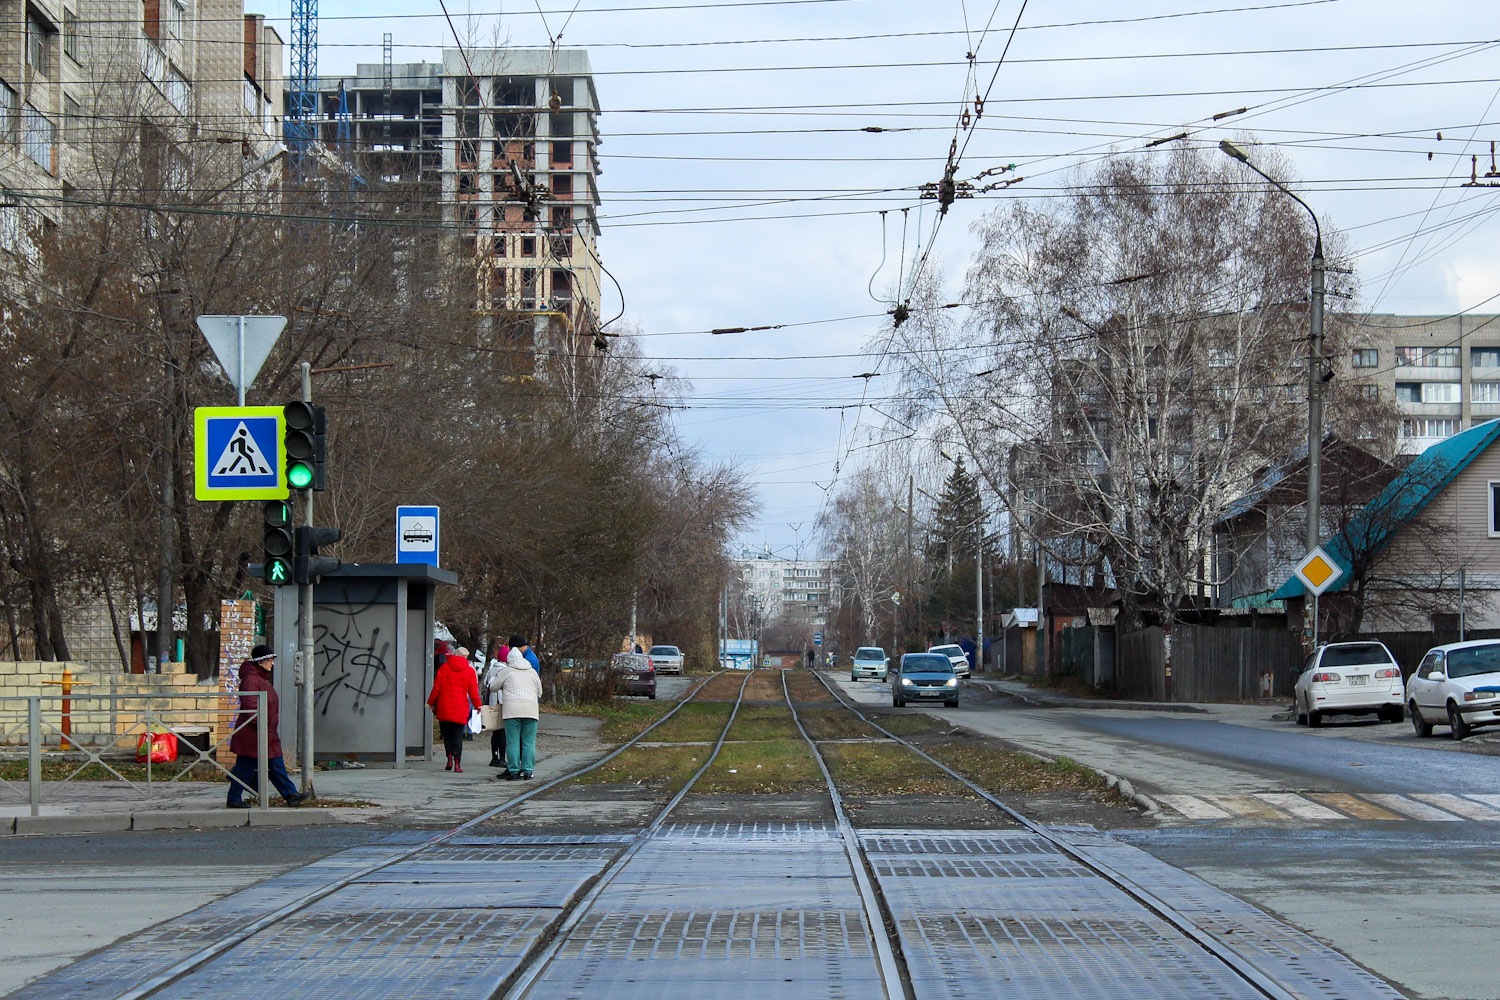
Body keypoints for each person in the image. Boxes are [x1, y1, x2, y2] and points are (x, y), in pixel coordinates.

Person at [227, 645, 307, 809]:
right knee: (246, 767)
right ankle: (234, 797)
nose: (272, 664)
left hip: (264, 732)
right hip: (255, 734)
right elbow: (251, 706)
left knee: (275, 765)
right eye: (270, 660)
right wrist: (262, 726)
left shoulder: (260, 678)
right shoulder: (252, 679)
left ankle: (290, 795)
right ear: (260, 662)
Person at [494, 633, 544, 781]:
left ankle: (514, 770)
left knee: (513, 742)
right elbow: (539, 691)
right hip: (531, 710)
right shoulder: (532, 671)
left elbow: (493, 687)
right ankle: (528, 770)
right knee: (529, 742)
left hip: (512, 712)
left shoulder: (506, 671)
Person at [427, 644, 481, 772]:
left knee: (447, 735)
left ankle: (449, 758)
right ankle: (457, 763)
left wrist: (430, 703)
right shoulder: (469, 671)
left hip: (444, 706)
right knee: (457, 735)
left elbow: (436, 688)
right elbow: (473, 692)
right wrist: (478, 706)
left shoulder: (444, 668)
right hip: (460, 707)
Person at [482, 640, 510, 768]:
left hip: (493, 703)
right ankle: (502, 758)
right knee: (503, 732)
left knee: (495, 732)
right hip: (503, 703)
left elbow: (486, 686)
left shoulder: (492, 669)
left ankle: (494, 756)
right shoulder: (507, 671)